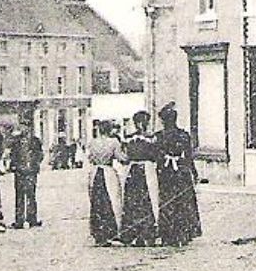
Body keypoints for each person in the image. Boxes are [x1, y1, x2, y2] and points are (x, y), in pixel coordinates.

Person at [154, 104, 202, 247]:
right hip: (181, 171)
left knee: (167, 201)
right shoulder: (184, 135)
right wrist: (194, 172)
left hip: (166, 172)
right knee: (183, 201)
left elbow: (157, 156)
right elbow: (188, 156)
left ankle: (167, 234)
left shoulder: (159, 136)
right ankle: (183, 233)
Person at [116, 110, 159, 246]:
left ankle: (133, 233)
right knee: (147, 200)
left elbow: (126, 156)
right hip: (146, 170)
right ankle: (146, 232)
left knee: (133, 201)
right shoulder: (151, 139)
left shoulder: (129, 139)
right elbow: (155, 155)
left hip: (132, 171)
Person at [86, 120, 121, 245]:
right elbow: (120, 157)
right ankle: (109, 231)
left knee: (97, 201)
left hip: (95, 172)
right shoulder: (114, 142)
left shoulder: (92, 142)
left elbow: (90, 157)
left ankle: (97, 232)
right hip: (108, 171)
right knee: (110, 201)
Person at [7, 124, 44, 228]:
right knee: (19, 196)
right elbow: (12, 156)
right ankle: (19, 220)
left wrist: (35, 165)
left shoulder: (35, 141)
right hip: (20, 172)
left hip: (31, 172)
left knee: (31, 195)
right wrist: (16, 166)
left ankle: (32, 219)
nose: (23, 130)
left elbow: (40, 154)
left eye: (25, 127)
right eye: (21, 127)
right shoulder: (16, 142)